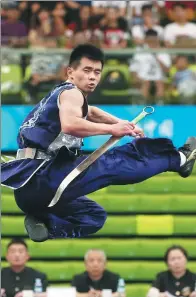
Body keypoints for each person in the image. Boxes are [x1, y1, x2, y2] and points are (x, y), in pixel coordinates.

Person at [1, 44, 196, 242]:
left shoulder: (59, 95)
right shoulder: (72, 93)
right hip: (45, 177)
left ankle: (43, 223)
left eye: (97, 72)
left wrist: (122, 124)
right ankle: (179, 159)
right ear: (70, 71)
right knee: (116, 161)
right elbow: (70, 125)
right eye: (86, 70)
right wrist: (112, 130)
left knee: (94, 216)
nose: (92, 77)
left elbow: (90, 112)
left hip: (27, 193)